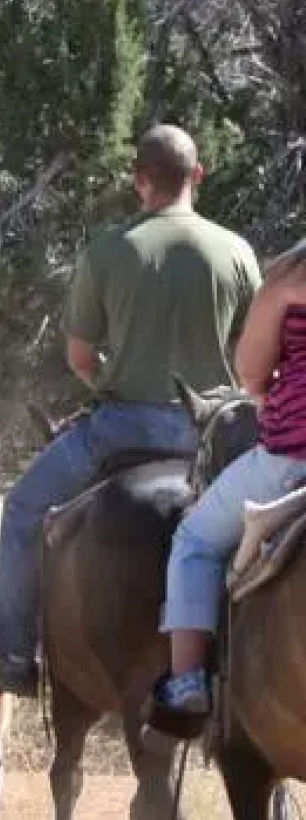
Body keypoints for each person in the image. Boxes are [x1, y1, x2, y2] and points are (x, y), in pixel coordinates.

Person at [0, 125, 263, 698]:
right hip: (216, 434)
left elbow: (80, 357)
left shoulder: (108, 250)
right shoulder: (237, 252)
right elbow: (253, 362)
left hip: (124, 424)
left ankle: (10, 651)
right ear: (198, 175)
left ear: (139, 182)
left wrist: (112, 375)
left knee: (23, 508)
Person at [150, 241, 306, 733]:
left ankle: (187, 681)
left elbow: (252, 371)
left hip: (290, 457)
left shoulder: (289, 276)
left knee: (193, 541)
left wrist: (262, 392)